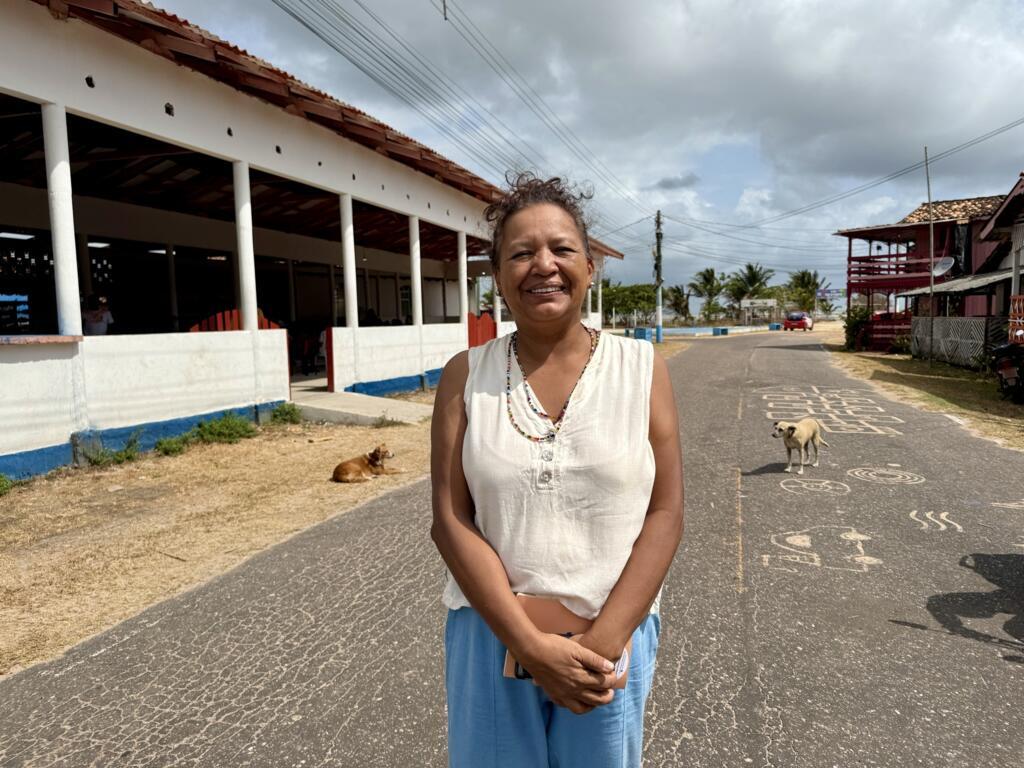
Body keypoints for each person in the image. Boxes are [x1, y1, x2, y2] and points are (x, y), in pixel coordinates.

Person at [430, 173, 683, 767]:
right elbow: (450, 517)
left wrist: (604, 642)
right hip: (490, 637)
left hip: (610, 640)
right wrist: (527, 644)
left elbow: (666, 512)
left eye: (562, 249)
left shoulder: (642, 369)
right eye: (521, 253)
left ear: (590, 266)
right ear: (498, 278)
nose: (543, 264)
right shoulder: (465, 375)